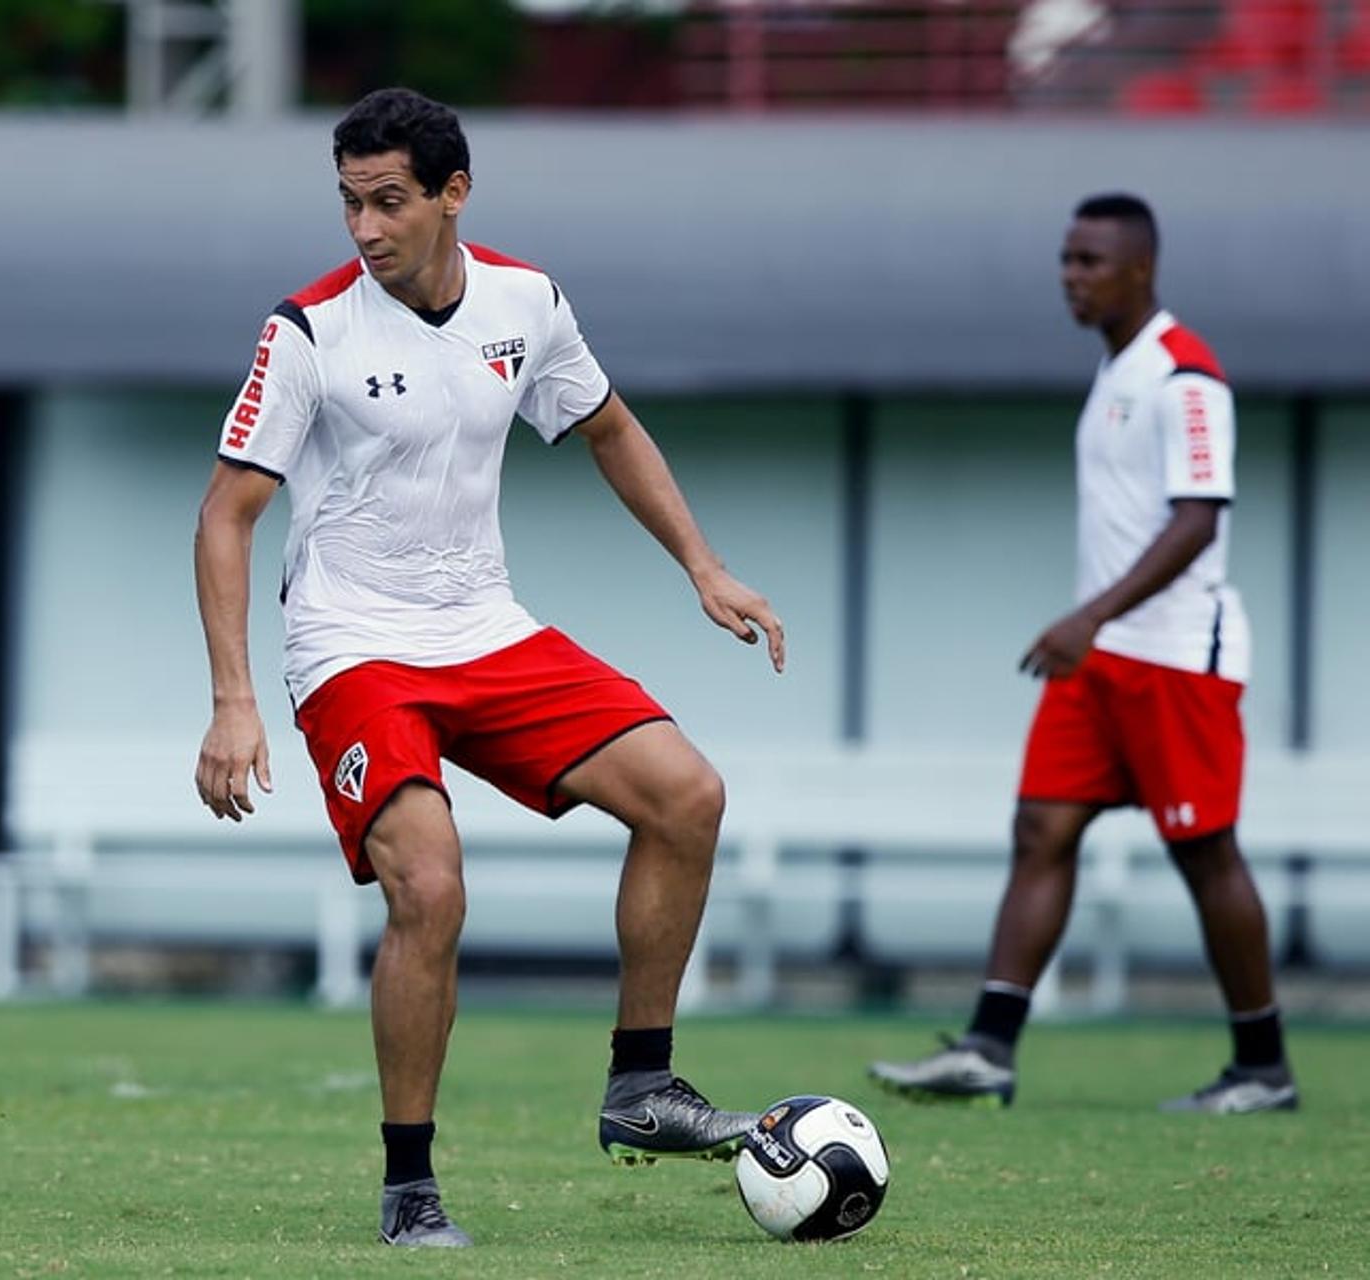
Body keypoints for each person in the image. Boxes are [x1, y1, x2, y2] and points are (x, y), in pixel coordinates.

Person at [192, 88, 786, 1248]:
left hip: (484, 626)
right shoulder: (309, 330)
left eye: (390, 201)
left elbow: (608, 425)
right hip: (353, 644)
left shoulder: (527, 301)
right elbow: (226, 516)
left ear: (453, 193)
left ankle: (642, 1082)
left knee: (688, 797)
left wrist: (702, 567)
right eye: (350, 202)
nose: (364, 229)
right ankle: (409, 1183)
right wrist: (233, 699)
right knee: (433, 882)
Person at [869, 194, 1295, 1114]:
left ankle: (1263, 1068)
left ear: (1140, 269)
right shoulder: (1117, 370)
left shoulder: (1184, 375)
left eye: (1090, 261)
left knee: (1204, 851)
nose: (1072, 276)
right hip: (1100, 662)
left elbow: (1198, 519)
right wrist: (1092, 632)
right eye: (1066, 259)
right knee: (1041, 831)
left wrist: (1088, 616)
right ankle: (988, 1047)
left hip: (1176, 656)